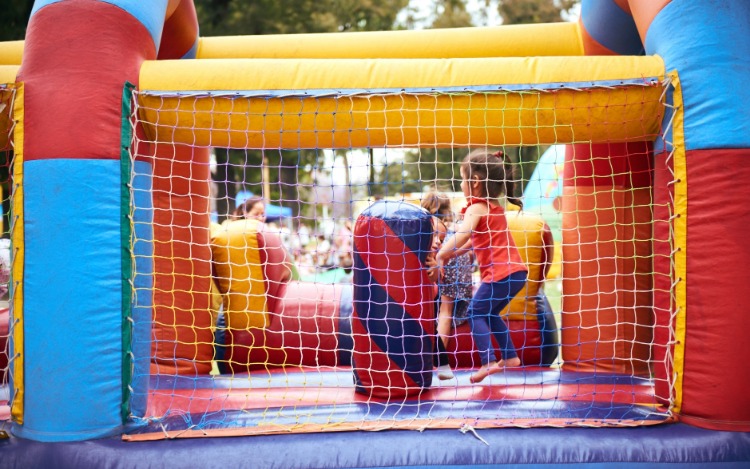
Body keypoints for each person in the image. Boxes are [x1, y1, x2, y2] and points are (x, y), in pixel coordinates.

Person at [437, 149, 528, 383]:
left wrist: (442, 253)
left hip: (501, 274)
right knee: (490, 312)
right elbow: (470, 242)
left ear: (475, 182)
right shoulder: (493, 207)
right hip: (516, 274)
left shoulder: (477, 208)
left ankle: (487, 361)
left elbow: (463, 233)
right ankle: (509, 357)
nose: (460, 184)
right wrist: (450, 254)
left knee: (475, 312)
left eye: (462, 179)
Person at [421, 192, 474, 381]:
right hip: (462, 278)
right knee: (443, 309)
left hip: (451, 266)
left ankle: (434, 362)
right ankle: (438, 362)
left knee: (445, 309)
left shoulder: (431, 231)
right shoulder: (450, 229)